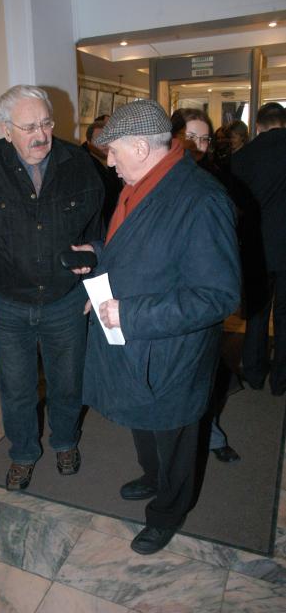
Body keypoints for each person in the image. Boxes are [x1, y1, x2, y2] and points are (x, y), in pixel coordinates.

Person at [75, 100, 241, 554]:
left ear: (140, 147)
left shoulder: (202, 199)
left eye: (113, 151)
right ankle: (153, 477)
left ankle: (170, 510)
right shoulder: (140, 184)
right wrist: (98, 256)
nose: (109, 162)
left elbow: (218, 296)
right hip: (134, 345)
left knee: (174, 435)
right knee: (143, 423)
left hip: (172, 350)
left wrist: (130, 314)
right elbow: (139, 249)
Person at [0, 84, 104, 490]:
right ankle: (22, 453)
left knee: (67, 383)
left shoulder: (78, 163)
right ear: (6, 129)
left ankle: (65, 441)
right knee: (17, 388)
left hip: (65, 300)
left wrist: (95, 283)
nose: (42, 135)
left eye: (47, 123)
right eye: (29, 127)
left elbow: (99, 230)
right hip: (9, 302)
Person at [171, 108, 241, 464]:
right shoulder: (160, 177)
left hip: (202, 295)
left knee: (205, 374)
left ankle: (210, 436)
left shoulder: (215, 179)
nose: (198, 146)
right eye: (190, 138)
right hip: (170, 293)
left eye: (204, 139)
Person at [231, 102, 286, 396]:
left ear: (258, 125)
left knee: (257, 313)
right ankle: (281, 379)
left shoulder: (243, 157)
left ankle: (253, 372)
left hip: (257, 248)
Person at [82, 120, 123, 227]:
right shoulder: (82, 164)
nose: (105, 144)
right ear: (89, 142)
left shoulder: (112, 159)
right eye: (100, 139)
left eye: (107, 138)